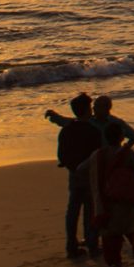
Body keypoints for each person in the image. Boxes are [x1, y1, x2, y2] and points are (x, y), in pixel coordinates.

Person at [42, 93, 103, 257]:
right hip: (88, 174)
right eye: (89, 108)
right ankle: (92, 243)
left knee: (73, 210)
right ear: (85, 111)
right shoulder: (93, 131)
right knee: (89, 209)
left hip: (73, 173)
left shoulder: (67, 130)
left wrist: (71, 167)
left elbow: (61, 154)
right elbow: (97, 154)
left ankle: (71, 245)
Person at [87, 139, 134, 267]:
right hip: (128, 198)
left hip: (107, 200)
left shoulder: (97, 155)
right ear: (120, 137)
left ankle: (114, 263)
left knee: (111, 234)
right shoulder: (128, 153)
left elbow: (81, 169)